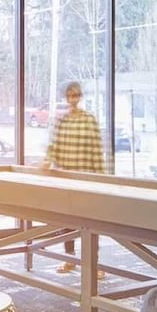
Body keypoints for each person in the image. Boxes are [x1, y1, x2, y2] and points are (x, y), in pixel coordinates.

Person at [42, 81, 105, 275]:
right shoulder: (61, 120)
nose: (73, 99)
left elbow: (96, 150)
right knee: (67, 223)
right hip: (66, 178)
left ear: (80, 97)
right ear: (66, 98)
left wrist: (101, 177)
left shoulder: (90, 120)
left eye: (76, 95)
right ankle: (70, 260)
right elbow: (54, 145)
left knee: (91, 223)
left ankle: (93, 265)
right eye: (70, 96)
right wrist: (47, 161)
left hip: (86, 178)